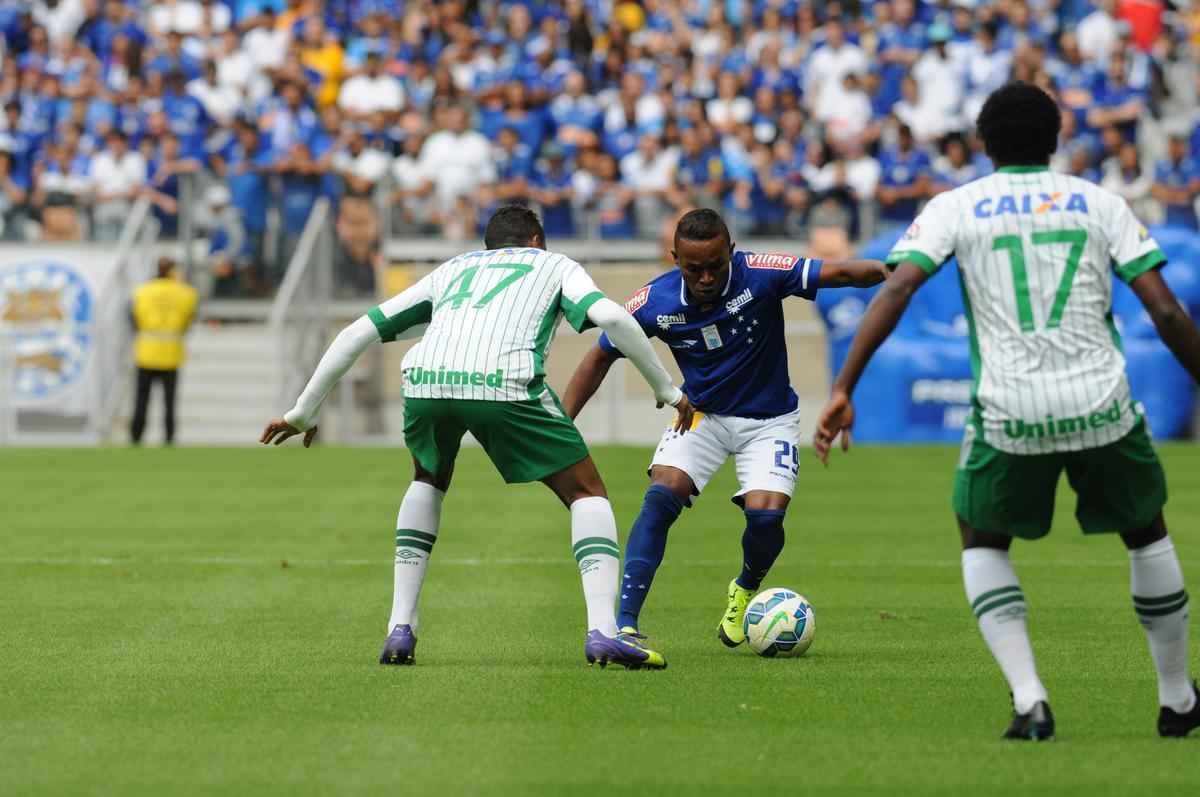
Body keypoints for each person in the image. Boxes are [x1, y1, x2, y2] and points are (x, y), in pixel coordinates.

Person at [813, 82, 1200, 741]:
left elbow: (899, 285)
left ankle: (1030, 700)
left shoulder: (957, 206)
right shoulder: (1100, 202)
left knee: (981, 535)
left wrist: (845, 383)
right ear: (1055, 139)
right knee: (1146, 531)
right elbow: (1165, 310)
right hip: (1101, 401)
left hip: (1009, 409)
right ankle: (1177, 700)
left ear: (984, 144)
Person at [259, 206, 692, 670]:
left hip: (425, 379)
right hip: (504, 382)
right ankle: (604, 632)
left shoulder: (454, 268)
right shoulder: (554, 264)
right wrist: (667, 390)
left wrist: (303, 411)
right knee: (587, 492)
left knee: (428, 477)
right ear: (534, 241)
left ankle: (400, 627)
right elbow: (616, 319)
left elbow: (355, 332)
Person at [561, 208, 887, 644]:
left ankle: (745, 588)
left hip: (769, 420)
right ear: (675, 258)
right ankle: (625, 624)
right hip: (700, 417)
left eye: (716, 266)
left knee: (766, 518)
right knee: (661, 496)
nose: (707, 278)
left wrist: (899, 270)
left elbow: (845, 273)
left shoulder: (761, 273)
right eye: (694, 268)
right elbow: (600, 355)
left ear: (731, 252)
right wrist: (562, 423)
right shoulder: (655, 301)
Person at [130, 257, 198, 445]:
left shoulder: (142, 291)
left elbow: (134, 318)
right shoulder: (186, 293)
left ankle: (136, 435)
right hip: (171, 352)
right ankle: (169, 436)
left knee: (142, 399)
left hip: (146, 351)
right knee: (169, 401)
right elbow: (189, 320)